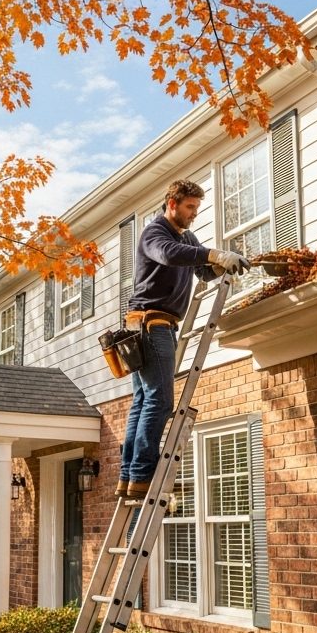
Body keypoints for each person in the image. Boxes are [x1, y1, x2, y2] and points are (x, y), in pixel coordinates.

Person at [118, 179, 249, 498]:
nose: (194, 214)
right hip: (150, 324)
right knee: (159, 401)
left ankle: (130, 477)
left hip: (153, 325)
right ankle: (143, 475)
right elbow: (169, 255)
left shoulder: (187, 237)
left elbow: (202, 271)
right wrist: (216, 253)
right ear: (172, 204)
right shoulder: (155, 232)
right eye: (190, 207)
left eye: (197, 208)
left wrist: (225, 265)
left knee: (143, 401)